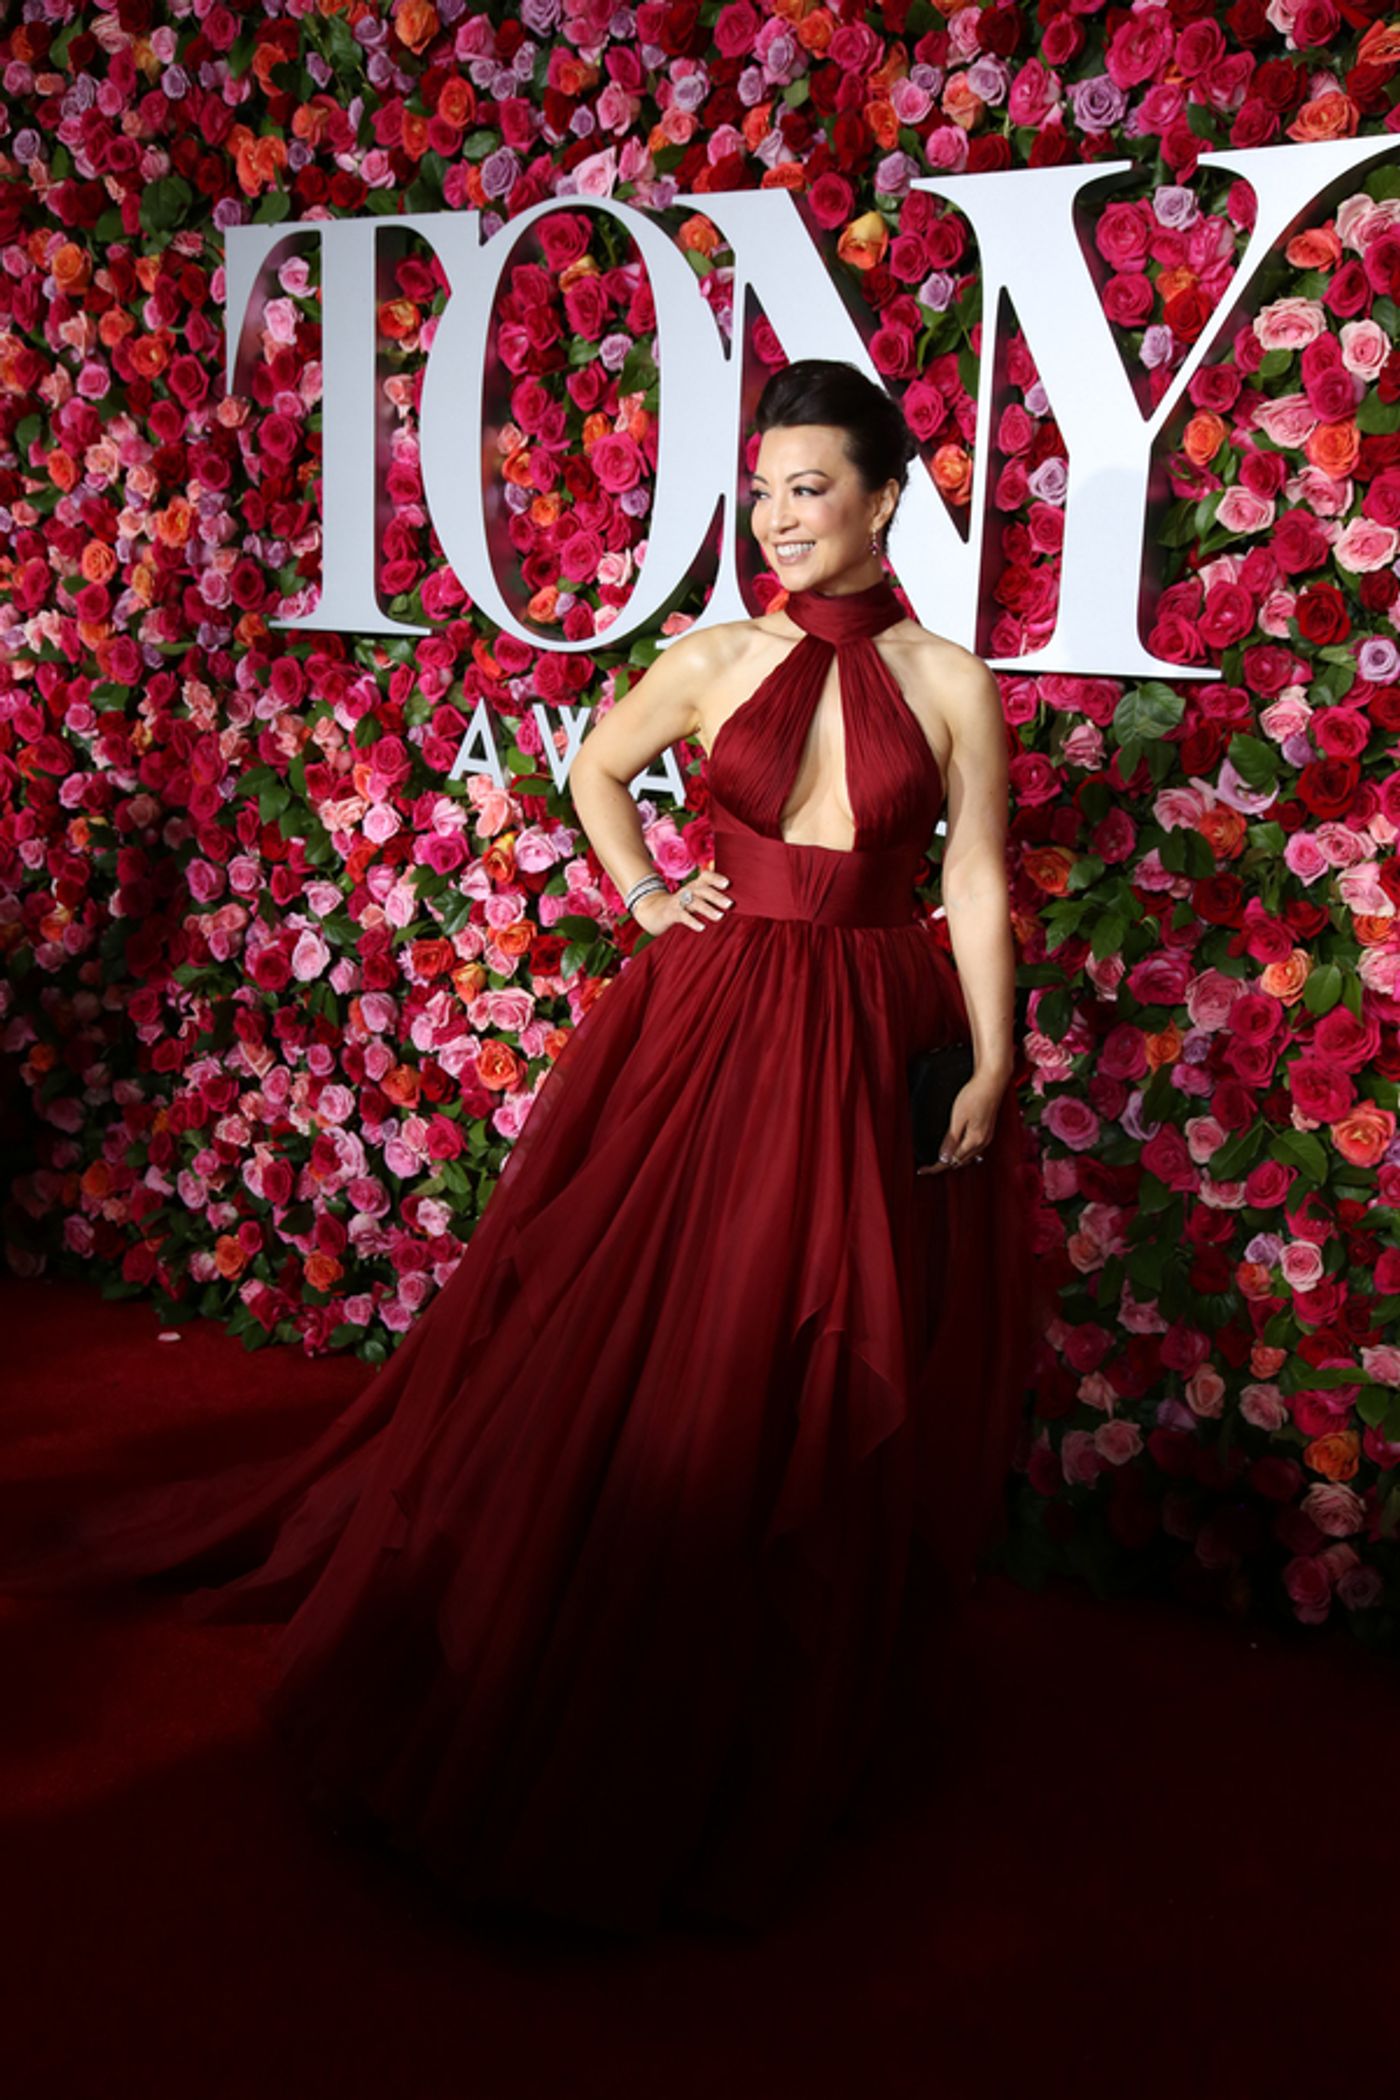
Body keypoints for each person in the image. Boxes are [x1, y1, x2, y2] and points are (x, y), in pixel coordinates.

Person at [1, 357, 1037, 1939]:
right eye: (760, 489)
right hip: (715, 1012)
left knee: (810, 1347)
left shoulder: (953, 679)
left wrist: (995, 1055)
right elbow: (594, 767)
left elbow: (970, 877)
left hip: (869, 1030)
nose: (778, 515)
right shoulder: (713, 655)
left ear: (888, 497)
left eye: (809, 486)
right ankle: (608, 1652)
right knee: (672, 1319)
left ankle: (774, 1686)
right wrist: (638, 892)